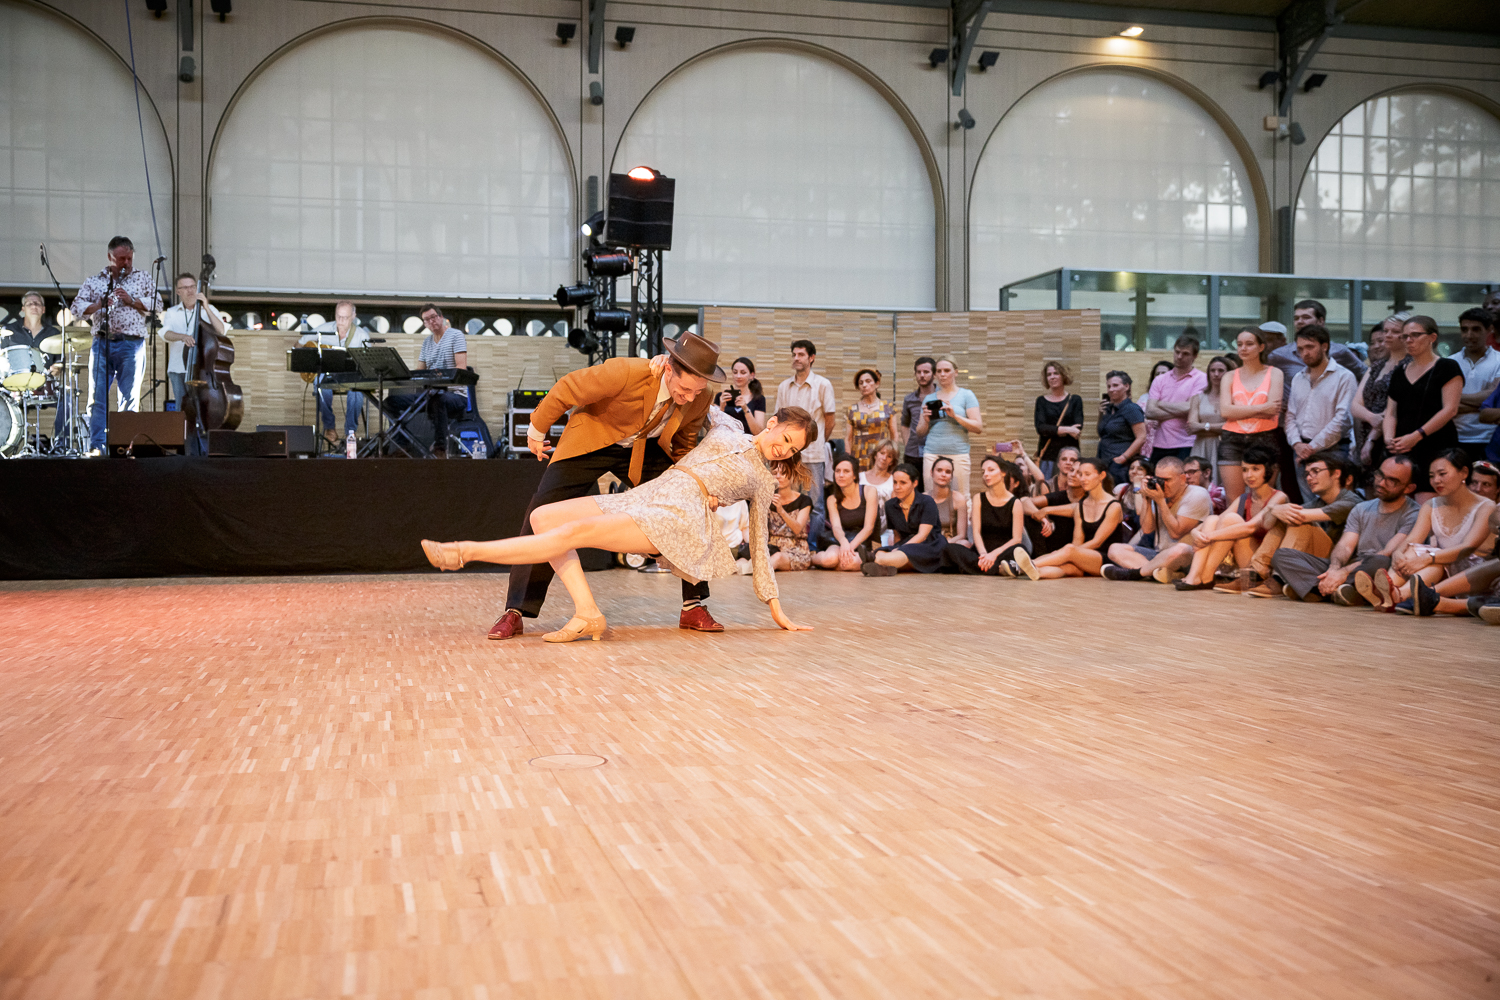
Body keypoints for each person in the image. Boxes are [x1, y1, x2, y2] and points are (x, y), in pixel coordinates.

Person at [423, 406, 817, 640]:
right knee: (544, 516)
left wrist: (776, 608)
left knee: (573, 533)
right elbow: (697, 394)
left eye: (793, 448)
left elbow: (761, 546)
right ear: (774, 422)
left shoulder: (764, 481)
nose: (784, 449)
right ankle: (587, 612)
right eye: (786, 437)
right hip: (651, 493)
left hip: (679, 518)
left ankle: (465, 552)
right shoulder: (728, 427)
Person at [487, 332, 724, 641]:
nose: (691, 397)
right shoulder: (627, 372)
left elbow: (684, 443)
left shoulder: (701, 397)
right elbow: (568, 387)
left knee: (689, 504)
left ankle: (693, 605)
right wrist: (536, 428)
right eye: (685, 389)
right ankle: (515, 610)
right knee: (541, 511)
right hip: (592, 440)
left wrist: (693, 482)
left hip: (643, 449)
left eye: (698, 390)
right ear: (668, 368)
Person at [1274, 455, 1420, 604]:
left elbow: (1387, 553)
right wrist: (1334, 569)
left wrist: (1343, 572)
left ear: (1409, 488)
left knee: (1380, 561)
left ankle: (1316, 589)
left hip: (1378, 567)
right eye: (1380, 475)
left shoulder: (1414, 514)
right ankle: (1336, 591)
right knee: (1282, 556)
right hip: (1351, 566)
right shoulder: (1361, 508)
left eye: (1392, 480)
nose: (1381, 483)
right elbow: (1345, 545)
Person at [69, 236, 162, 454]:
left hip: (132, 344)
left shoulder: (143, 278)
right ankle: (97, 446)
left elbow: (157, 303)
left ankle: (125, 446)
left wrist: (132, 301)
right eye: (121, 259)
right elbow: (76, 307)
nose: (126, 263)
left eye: (129, 258)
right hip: (102, 342)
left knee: (130, 398)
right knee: (97, 398)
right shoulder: (94, 281)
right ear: (110, 257)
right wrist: (99, 304)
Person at [1373, 451, 1495, 612]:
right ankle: (1390, 591)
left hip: (1470, 576)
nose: (1436, 480)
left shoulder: (1487, 506)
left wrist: (1427, 558)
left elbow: (1468, 547)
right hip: (1440, 567)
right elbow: (1414, 537)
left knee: (1433, 560)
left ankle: (1396, 594)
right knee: (1412, 549)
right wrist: (1398, 552)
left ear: (1464, 473)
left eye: (1442, 474)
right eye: (1432, 476)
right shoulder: (1430, 505)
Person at [1244, 452, 1363, 597]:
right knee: (1285, 518)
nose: (1309, 478)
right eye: (1307, 473)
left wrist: (1277, 509)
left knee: (1296, 520)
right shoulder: (1317, 502)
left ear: (1336, 473)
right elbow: (1268, 524)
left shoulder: (1351, 501)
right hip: (1320, 560)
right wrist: (1274, 509)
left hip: (1339, 565)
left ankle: (1279, 579)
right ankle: (1257, 574)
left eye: (1315, 472)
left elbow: (1299, 516)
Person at [1173, 446, 1288, 592]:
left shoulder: (1279, 497)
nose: (1249, 475)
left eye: (1255, 469)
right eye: (1245, 470)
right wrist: (1196, 533)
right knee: (1213, 519)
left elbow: (1251, 527)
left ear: (1268, 470)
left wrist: (1207, 536)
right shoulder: (1244, 498)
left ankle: (1205, 576)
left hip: (1265, 565)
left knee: (1232, 519)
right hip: (1246, 559)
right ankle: (1195, 575)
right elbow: (1217, 520)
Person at [1385, 315, 1463, 497]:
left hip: (1435, 442)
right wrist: (1389, 439)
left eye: (1415, 335)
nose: (1408, 341)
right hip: (1402, 445)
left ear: (1432, 337)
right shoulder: (1399, 371)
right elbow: (1390, 412)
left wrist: (1417, 435)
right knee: (1400, 503)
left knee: (1426, 502)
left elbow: (1450, 409)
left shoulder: (1447, 366)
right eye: (1404, 336)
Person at [1102, 455, 1213, 582]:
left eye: (1167, 480)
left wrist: (1160, 501)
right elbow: (1147, 529)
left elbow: (1176, 533)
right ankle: (1159, 573)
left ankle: (1137, 573)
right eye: (1159, 479)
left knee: (1179, 549)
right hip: (1160, 554)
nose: (1162, 484)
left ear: (1182, 479)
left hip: (1189, 556)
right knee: (1115, 549)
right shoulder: (1159, 494)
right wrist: (1146, 499)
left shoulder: (1197, 494)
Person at [382, 304, 469, 458]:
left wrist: (439, 378)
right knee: (389, 402)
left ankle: (440, 448)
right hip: (429, 395)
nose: (431, 321)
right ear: (424, 323)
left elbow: (461, 368)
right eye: (427, 319)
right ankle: (402, 444)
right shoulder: (426, 343)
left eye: (434, 317)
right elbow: (419, 372)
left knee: (438, 399)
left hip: (455, 396)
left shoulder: (456, 335)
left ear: (441, 317)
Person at [1284, 323, 1357, 502]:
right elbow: (1290, 416)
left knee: (1336, 506)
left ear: (1324, 346)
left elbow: (1343, 420)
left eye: (1310, 347)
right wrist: (1296, 444)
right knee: (1310, 504)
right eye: (1300, 349)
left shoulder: (1344, 376)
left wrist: (1311, 447)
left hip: (1333, 449)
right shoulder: (1298, 378)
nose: (1305, 353)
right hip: (1301, 449)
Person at [1025, 458, 1128, 580]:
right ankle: (1033, 570)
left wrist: (1066, 553)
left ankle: (1026, 564)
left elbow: (1097, 542)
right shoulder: (1081, 505)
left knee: (1068, 550)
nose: (1082, 478)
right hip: (1085, 559)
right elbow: (1077, 542)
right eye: (1080, 474)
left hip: (1107, 560)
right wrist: (1067, 554)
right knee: (1067, 568)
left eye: (1087, 474)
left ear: (1102, 476)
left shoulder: (1113, 506)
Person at [1218, 327, 1283, 505]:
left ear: (1261, 347)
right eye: (1239, 344)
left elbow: (1273, 410)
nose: (1243, 348)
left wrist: (1238, 411)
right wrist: (1262, 408)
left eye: (1249, 344)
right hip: (1232, 439)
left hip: (1265, 438)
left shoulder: (1274, 373)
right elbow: (1225, 411)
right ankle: (1238, 532)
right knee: (1234, 500)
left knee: (1263, 498)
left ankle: (1261, 532)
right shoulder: (1229, 376)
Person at [292, 300, 369, 447]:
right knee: (320, 383)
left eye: (345, 317)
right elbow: (298, 345)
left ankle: (350, 432)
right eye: (338, 316)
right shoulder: (323, 329)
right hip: (328, 375)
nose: (340, 321)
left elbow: (367, 365)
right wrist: (304, 355)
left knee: (357, 391)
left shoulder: (362, 336)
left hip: (351, 377)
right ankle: (329, 427)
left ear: (353, 316)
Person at [777, 340, 837, 522]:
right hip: (790, 455)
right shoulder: (783, 387)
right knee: (790, 502)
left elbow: (830, 421)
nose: (796, 358)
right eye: (794, 354)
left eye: (801, 354)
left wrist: (817, 441)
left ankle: (812, 547)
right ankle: (793, 546)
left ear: (811, 358)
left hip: (813, 455)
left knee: (815, 505)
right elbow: (779, 420)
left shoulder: (823, 384)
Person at [943, 455, 1029, 577]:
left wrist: (993, 555)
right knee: (950, 549)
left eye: (991, 470)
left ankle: (978, 567)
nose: (986, 475)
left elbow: (1016, 539)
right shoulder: (978, 498)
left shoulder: (1016, 503)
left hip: (1003, 552)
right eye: (983, 472)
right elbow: (976, 532)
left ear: (1003, 473)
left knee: (1020, 549)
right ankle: (999, 569)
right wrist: (984, 555)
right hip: (981, 552)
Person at [2, 290, 66, 447]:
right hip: (16, 387)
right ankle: (6, 446)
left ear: (43, 309)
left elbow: (59, 363)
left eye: (37, 303)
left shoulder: (53, 333)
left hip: (43, 386)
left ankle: (61, 445)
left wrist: (56, 368)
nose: (34, 306)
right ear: (22, 309)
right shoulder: (8, 332)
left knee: (67, 401)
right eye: (29, 303)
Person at [159, 273, 228, 412]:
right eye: (185, 287)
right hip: (178, 368)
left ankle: (203, 432)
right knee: (181, 407)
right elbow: (165, 333)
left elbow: (221, 331)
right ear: (178, 291)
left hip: (203, 368)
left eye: (192, 286)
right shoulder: (172, 312)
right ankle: (183, 433)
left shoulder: (209, 310)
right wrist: (182, 337)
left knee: (203, 407)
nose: (190, 290)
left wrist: (206, 307)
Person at [915, 355, 982, 494]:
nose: (942, 374)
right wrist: (926, 421)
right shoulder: (929, 398)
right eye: (939, 371)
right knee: (931, 497)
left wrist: (955, 416)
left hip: (958, 452)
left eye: (946, 370)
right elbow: (920, 432)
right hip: (932, 452)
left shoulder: (966, 395)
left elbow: (978, 427)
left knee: (962, 496)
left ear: (955, 372)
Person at [862, 463, 945, 575]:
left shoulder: (927, 502)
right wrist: (896, 548)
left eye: (903, 483)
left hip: (930, 545)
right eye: (895, 482)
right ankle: (886, 566)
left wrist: (900, 549)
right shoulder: (890, 505)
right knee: (884, 551)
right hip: (906, 543)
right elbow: (897, 535)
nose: (897, 487)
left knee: (900, 553)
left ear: (914, 483)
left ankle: (877, 561)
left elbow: (922, 535)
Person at [1351, 313, 1410, 470]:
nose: (1388, 336)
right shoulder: (1377, 366)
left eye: (1395, 332)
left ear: (1406, 335)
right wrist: (1372, 418)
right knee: (1370, 486)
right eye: (1386, 331)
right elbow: (1355, 405)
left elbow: (1395, 408)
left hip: (1393, 436)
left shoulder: (1410, 365)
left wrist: (1373, 437)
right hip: (1367, 430)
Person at [1144, 336, 1208, 464]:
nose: (1179, 356)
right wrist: (1182, 409)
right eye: (1177, 352)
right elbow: (1150, 412)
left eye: (1185, 354)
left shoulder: (1201, 378)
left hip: (1186, 442)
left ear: (1195, 356)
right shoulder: (1160, 379)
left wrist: (1160, 404)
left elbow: (1191, 408)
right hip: (1160, 443)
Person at [812, 455, 877, 571]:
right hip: (840, 539)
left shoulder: (869, 491)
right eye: (837, 471)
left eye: (846, 471)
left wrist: (849, 548)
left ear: (855, 475)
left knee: (849, 563)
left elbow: (869, 528)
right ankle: (811, 558)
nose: (841, 475)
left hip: (861, 541)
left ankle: (835, 565)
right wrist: (844, 543)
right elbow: (836, 527)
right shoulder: (832, 499)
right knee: (830, 559)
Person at [1455, 308, 1500, 467]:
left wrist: (1453, 398)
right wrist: (1485, 406)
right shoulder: (1450, 362)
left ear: (1490, 330)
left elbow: (1494, 395)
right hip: (1455, 437)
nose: (1469, 335)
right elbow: (1441, 404)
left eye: (1476, 329)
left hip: (1489, 438)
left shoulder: (1499, 360)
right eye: (1464, 329)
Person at [1024, 449, 1085, 557]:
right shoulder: (1059, 495)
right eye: (1072, 471)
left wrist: (1047, 510)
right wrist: (1043, 518)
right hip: (1056, 548)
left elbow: (1078, 508)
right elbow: (1023, 501)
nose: (1073, 474)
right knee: (1029, 517)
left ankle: (1031, 564)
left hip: (1082, 552)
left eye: (1078, 472)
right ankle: (1037, 558)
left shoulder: (1091, 499)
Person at [1033, 361, 1083, 480]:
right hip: (1048, 455)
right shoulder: (1041, 401)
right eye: (1049, 374)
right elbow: (1041, 428)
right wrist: (1067, 429)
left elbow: (1078, 428)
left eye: (1056, 373)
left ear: (1063, 376)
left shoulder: (1075, 400)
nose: (1052, 377)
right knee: (1047, 491)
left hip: (1070, 457)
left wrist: (1053, 430)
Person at [1188, 354, 1234, 479]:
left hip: (1226, 446)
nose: (1216, 374)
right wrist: (1218, 427)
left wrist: (1203, 426)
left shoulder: (1234, 397)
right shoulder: (1198, 398)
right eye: (1212, 370)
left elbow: (1232, 426)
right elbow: (1191, 426)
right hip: (1201, 446)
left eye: (1220, 370)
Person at [1097, 370, 1146, 485]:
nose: (1111, 389)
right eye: (1109, 386)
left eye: (1115, 385)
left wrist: (1123, 458)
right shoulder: (1108, 409)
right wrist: (1101, 414)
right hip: (1104, 460)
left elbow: (1142, 437)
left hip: (1120, 465)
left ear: (1126, 386)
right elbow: (1102, 433)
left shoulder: (1132, 408)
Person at [845, 368, 898, 473]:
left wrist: (892, 456)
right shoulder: (852, 409)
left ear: (877, 384)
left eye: (868, 381)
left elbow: (894, 434)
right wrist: (848, 460)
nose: (864, 385)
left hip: (881, 456)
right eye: (861, 383)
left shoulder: (888, 407)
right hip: (859, 457)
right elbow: (848, 438)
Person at [900, 356, 936, 489]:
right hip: (913, 454)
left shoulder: (942, 396)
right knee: (913, 491)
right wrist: (907, 442)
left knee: (934, 491)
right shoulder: (909, 399)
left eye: (926, 372)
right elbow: (904, 423)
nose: (922, 375)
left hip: (936, 451)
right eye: (919, 372)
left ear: (934, 374)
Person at [766, 467, 813, 572]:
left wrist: (781, 510)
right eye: (774, 473)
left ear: (793, 476)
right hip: (772, 548)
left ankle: (756, 571)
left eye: (783, 473)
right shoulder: (768, 499)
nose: (778, 476)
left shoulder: (804, 501)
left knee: (778, 558)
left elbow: (797, 529)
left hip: (797, 550)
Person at [926, 456, 970, 547]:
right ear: (931, 472)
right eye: (939, 470)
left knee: (965, 544)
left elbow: (962, 535)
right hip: (928, 544)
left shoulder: (959, 499)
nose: (943, 474)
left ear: (951, 476)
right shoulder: (923, 498)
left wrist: (944, 544)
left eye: (948, 472)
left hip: (950, 543)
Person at [1137, 359, 1176, 461]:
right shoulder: (1144, 398)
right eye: (1157, 374)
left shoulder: (1177, 398)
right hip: (1145, 446)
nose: (1160, 376)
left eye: (1164, 373)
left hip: (1170, 445)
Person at [717, 356, 766, 434]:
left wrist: (745, 409)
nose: (738, 376)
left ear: (751, 375)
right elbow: (713, 428)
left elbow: (759, 432)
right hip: (726, 441)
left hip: (748, 442)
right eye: (735, 372)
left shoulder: (758, 399)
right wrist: (721, 407)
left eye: (743, 373)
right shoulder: (721, 397)